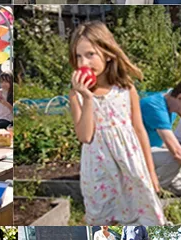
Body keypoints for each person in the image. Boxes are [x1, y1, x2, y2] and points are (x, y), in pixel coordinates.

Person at [68, 22, 163, 224]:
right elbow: (85, 136)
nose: (83, 62)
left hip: (130, 164)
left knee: (143, 216)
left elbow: (139, 131)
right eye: (78, 56)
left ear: (108, 53)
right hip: (99, 170)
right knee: (105, 220)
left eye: (90, 54)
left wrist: (151, 172)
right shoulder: (77, 95)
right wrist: (87, 98)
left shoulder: (126, 89)